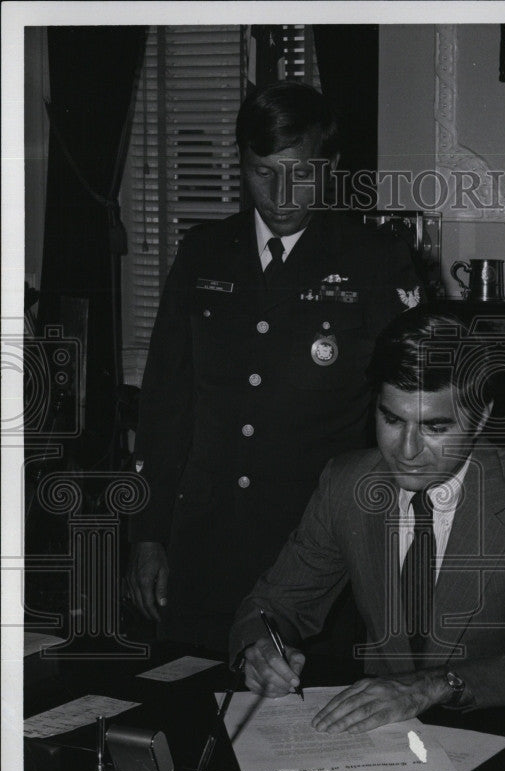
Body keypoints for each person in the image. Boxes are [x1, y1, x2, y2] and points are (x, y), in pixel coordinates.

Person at [126, 81, 423, 651]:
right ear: (241, 162)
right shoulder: (202, 253)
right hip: (205, 540)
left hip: (316, 550)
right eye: (263, 172)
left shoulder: (374, 259)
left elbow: (407, 406)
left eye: (300, 172)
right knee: (188, 705)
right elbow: (167, 404)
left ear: (329, 166)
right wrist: (149, 534)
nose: (282, 194)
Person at [229, 309, 505, 732]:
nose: (406, 449)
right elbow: (273, 605)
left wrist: (432, 686)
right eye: (391, 419)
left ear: (481, 415)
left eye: (434, 426)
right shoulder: (346, 485)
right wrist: (260, 650)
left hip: (501, 734)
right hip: (380, 741)